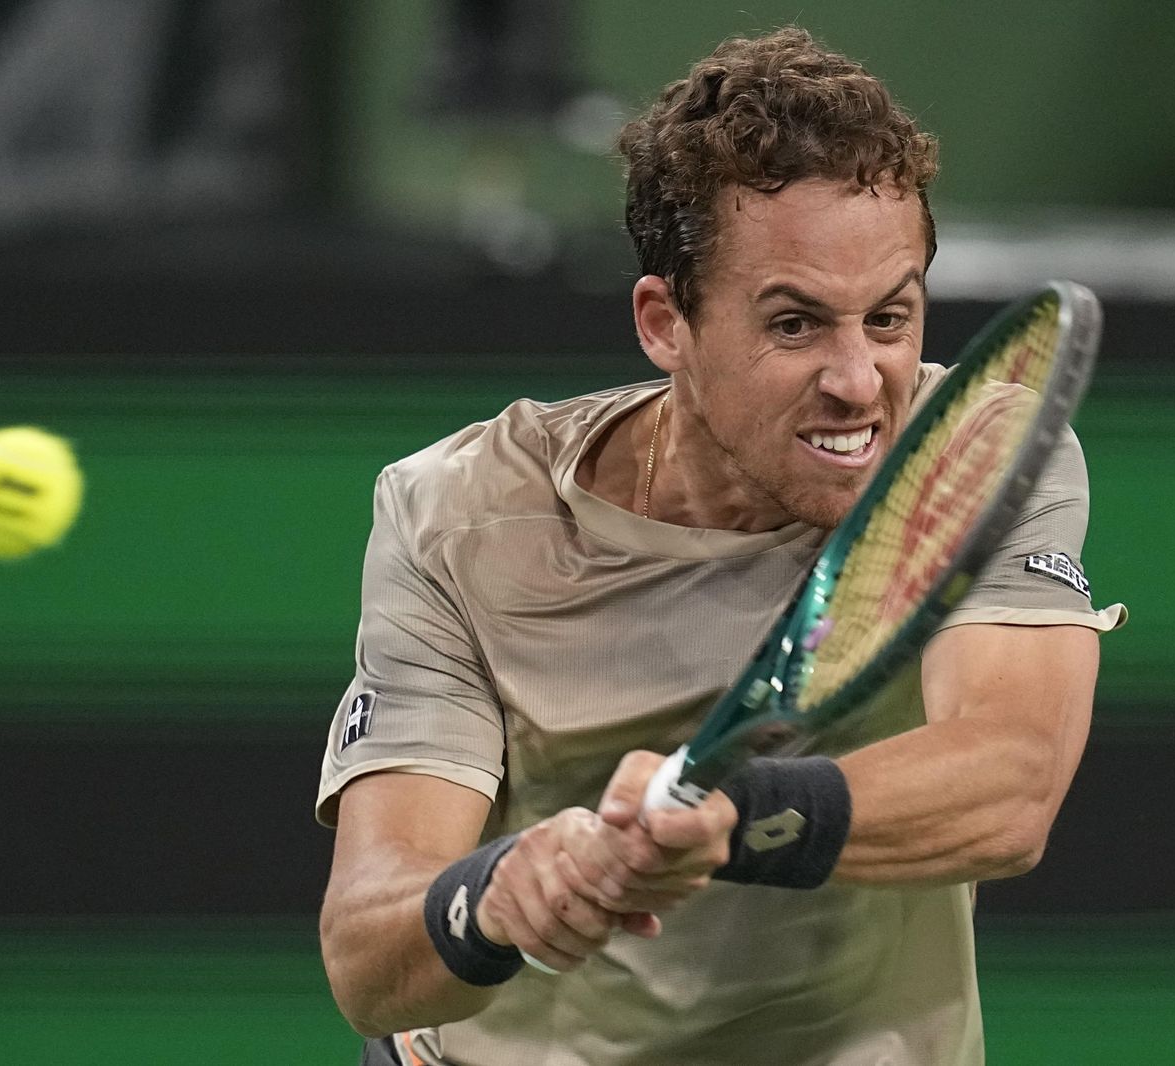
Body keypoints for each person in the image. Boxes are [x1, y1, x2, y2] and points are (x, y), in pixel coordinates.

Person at [316, 26, 1125, 1066]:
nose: (856, 379)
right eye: (795, 325)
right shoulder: (459, 515)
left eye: (890, 318)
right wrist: (497, 896)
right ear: (664, 322)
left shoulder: (971, 454)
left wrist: (732, 819)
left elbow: (1010, 783)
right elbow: (368, 956)